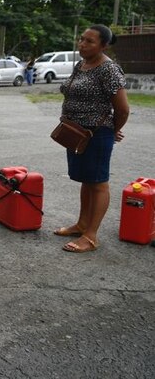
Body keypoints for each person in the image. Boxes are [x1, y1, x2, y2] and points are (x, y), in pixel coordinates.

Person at [54, 25, 129, 253]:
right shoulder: (81, 65)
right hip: (75, 131)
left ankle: (91, 235)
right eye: (82, 39)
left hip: (95, 134)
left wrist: (112, 129)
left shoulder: (109, 70)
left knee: (98, 183)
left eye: (89, 41)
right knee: (87, 180)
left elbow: (123, 109)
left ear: (104, 46)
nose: (82, 44)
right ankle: (82, 224)